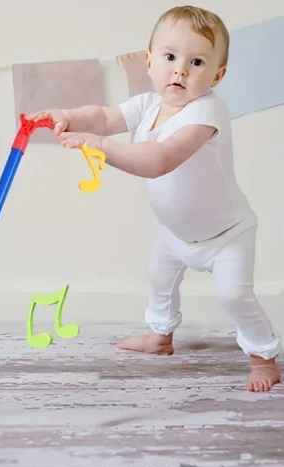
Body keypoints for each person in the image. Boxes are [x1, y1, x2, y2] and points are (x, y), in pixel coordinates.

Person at [26, 5, 282, 392]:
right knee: (159, 278)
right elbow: (104, 116)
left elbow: (160, 160)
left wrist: (100, 148)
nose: (180, 70)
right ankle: (160, 337)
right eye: (170, 57)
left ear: (218, 74)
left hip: (227, 234)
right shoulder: (148, 104)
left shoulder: (208, 112)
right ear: (149, 62)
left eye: (196, 61)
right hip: (176, 233)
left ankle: (263, 357)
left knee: (233, 294)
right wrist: (69, 116)